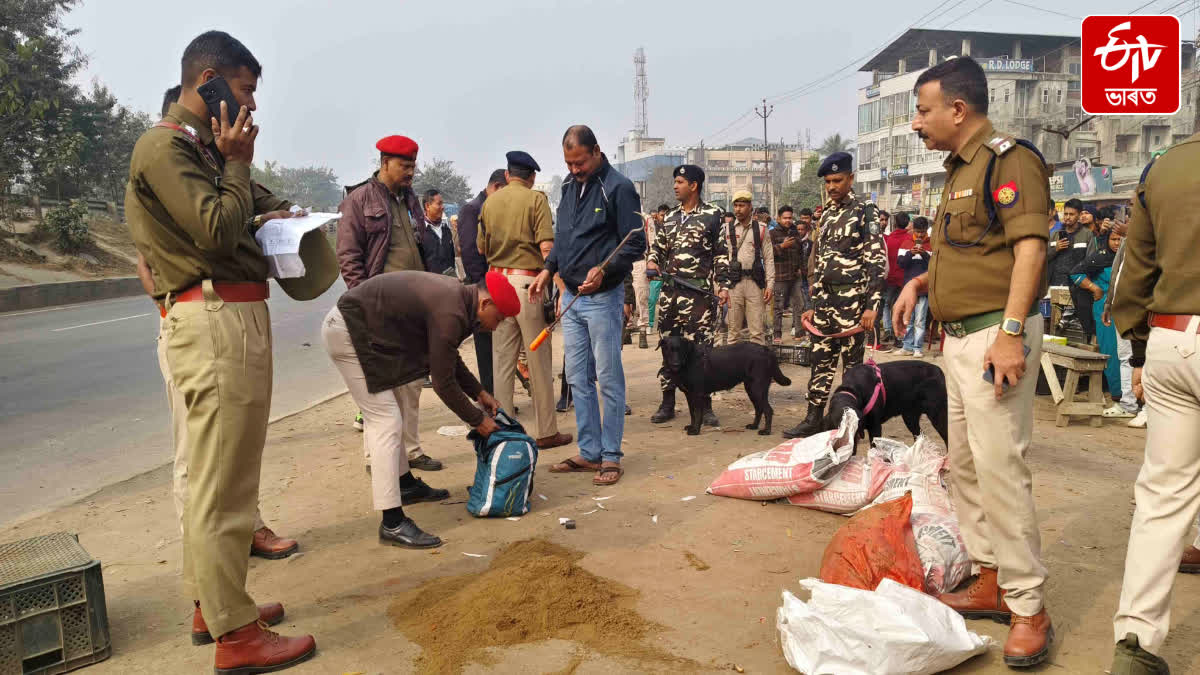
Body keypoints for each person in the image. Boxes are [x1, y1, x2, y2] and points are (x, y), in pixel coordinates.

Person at [126, 31, 317, 670]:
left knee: (231, 477)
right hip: (210, 320)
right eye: (243, 90)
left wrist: (249, 182)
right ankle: (235, 636)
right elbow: (215, 227)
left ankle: (217, 603)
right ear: (207, 81)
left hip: (234, 311)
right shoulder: (165, 148)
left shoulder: (206, 151)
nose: (251, 107)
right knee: (216, 482)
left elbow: (263, 206)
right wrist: (236, 168)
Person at [894, 55, 1053, 667]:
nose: (916, 123)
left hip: (995, 340)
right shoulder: (960, 170)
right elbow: (972, 253)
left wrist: (1011, 333)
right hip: (958, 340)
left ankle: (1029, 604)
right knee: (964, 466)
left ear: (958, 110)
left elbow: (1030, 249)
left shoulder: (1010, 160)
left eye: (924, 110)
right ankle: (989, 574)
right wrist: (921, 284)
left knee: (1000, 470)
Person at [144, 85, 300, 564]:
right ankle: (209, 583)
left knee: (232, 453)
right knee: (197, 459)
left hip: (231, 316)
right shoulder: (167, 160)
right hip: (197, 322)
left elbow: (260, 208)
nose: (241, 113)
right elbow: (153, 255)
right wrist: (171, 311)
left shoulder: (217, 168)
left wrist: (274, 213)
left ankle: (239, 538)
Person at [322, 271, 514, 549]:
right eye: (499, 319)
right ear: (485, 304)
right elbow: (443, 382)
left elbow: (449, 358)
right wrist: (478, 421)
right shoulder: (452, 310)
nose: (496, 327)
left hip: (365, 332)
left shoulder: (460, 302)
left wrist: (480, 393)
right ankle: (392, 522)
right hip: (349, 332)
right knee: (384, 420)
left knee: (394, 411)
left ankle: (404, 484)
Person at [1108, 132, 1200, 675]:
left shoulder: (1164, 166)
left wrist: (1140, 352)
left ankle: (1134, 647)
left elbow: (1130, 270)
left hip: (1170, 343)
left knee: (1163, 499)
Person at [532, 125, 644, 486]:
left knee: (607, 378)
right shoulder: (567, 186)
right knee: (577, 378)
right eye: (569, 163)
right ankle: (589, 450)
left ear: (596, 151)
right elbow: (563, 238)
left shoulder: (618, 188)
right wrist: (548, 271)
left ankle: (611, 455)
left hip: (602, 299)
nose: (574, 169)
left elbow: (634, 243)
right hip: (571, 299)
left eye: (579, 162)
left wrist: (605, 268)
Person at [337, 135, 444, 472]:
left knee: (412, 384)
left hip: (413, 307)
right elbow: (348, 256)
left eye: (413, 165)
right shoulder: (359, 200)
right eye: (404, 166)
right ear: (384, 163)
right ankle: (377, 458)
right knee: (382, 389)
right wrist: (364, 301)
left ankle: (411, 451)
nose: (410, 172)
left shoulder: (410, 199)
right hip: (380, 305)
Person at [783, 152, 884, 438]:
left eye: (837, 180)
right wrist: (814, 305)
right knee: (820, 363)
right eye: (828, 181)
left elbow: (876, 260)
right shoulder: (826, 213)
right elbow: (822, 260)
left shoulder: (865, 211)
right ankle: (813, 418)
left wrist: (872, 306)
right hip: (825, 304)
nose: (832, 186)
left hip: (853, 303)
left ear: (851, 178)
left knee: (852, 370)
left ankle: (849, 423)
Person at [477, 150, 571, 450]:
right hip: (528, 283)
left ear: (507, 175)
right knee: (539, 360)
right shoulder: (536, 200)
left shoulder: (489, 202)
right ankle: (546, 431)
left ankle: (505, 432)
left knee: (502, 363)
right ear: (531, 177)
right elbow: (546, 246)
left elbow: (481, 247)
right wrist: (557, 282)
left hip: (496, 284)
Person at [645, 164, 729, 426]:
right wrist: (652, 262)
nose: (675, 186)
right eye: (675, 181)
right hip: (671, 293)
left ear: (694, 185)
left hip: (699, 295)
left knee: (702, 351)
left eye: (680, 182)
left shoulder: (714, 215)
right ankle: (667, 401)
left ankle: (705, 405)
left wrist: (723, 285)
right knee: (669, 348)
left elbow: (721, 254)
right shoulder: (669, 218)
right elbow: (658, 249)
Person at [458, 169, 508, 394]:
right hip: (482, 291)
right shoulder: (472, 210)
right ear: (496, 187)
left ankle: (498, 395)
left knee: (498, 349)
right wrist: (484, 289)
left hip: (493, 288)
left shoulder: (494, 207)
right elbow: (470, 254)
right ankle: (489, 396)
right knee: (486, 350)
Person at [1101, 228, 1145, 427]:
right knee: (1126, 357)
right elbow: (1116, 275)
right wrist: (1109, 304)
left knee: (1144, 359)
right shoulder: (1127, 240)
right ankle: (1129, 405)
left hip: (1142, 308)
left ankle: (1147, 408)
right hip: (1122, 307)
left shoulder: (1151, 238)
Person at [726, 191, 774, 346]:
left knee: (757, 332)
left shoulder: (761, 229)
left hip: (755, 284)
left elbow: (769, 258)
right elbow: (720, 259)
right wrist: (720, 286)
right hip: (734, 285)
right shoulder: (727, 229)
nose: (738, 209)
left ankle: (757, 367)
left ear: (750, 207)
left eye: (742, 205)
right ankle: (732, 368)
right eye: (736, 205)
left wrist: (770, 285)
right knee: (733, 332)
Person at [1051, 198, 1096, 337]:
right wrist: (1055, 248)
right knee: (1056, 327)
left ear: (1078, 216)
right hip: (1057, 286)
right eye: (1066, 214)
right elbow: (1044, 257)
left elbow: (1091, 260)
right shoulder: (1055, 235)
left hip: (1078, 288)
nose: (1068, 217)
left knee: (1078, 329)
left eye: (1072, 214)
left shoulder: (1087, 234)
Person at [629, 205, 666, 350]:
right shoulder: (617, 215)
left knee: (642, 297)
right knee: (623, 297)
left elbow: (652, 242)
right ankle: (625, 328)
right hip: (621, 262)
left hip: (639, 262)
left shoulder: (646, 219)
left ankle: (643, 330)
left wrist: (651, 262)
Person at [879, 212, 914, 351]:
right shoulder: (909, 239)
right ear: (906, 223)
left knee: (887, 304)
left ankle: (888, 330)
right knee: (900, 307)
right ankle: (897, 336)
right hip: (904, 279)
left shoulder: (889, 238)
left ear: (894, 222)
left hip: (890, 278)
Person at [897, 217, 931, 357]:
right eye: (918, 232)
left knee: (920, 320)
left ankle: (917, 348)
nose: (920, 235)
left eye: (923, 232)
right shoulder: (905, 243)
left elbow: (933, 266)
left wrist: (923, 254)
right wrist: (910, 254)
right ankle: (907, 346)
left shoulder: (931, 244)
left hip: (923, 289)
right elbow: (900, 264)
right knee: (908, 319)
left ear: (926, 230)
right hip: (908, 289)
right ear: (913, 230)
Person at [771, 205, 805, 344]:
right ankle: (777, 335)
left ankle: (799, 333)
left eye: (790, 218)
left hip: (795, 276)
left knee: (799, 305)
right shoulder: (772, 234)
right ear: (778, 218)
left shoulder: (795, 232)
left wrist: (801, 269)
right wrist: (781, 247)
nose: (788, 220)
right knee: (778, 307)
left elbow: (800, 252)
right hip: (780, 277)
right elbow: (767, 254)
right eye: (785, 218)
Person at [419, 189, 456, 276]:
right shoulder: (419, 231)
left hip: (450, 282)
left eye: (442, 203)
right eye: (439, 204)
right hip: (430, 285)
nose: (443, 207)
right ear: (427, 206)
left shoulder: (446, 229)